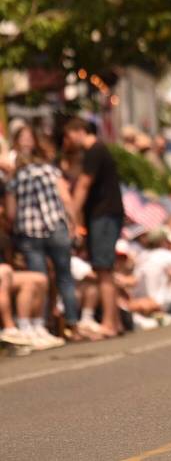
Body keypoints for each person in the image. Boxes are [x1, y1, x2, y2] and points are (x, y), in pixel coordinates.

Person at [5, 125, 93, 342]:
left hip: (29, 231)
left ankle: (41, 325)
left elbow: (11, 213)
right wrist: (74, 224)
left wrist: (13, 229)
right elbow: (66, 199)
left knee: (40, 279)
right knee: (64, 277)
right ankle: (72, 324)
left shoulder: (15, 178)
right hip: (56, 227)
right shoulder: (50, 171)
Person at [64, 117, 125, 338]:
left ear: (80, 131)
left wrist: (71, 214)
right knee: (106, 268)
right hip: (108, 214)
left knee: (103, 269)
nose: (68, 141)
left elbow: (83, 184)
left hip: (103, 215)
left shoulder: (94, 151)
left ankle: (109, 322)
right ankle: (116, 321)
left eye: (69, 135)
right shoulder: (100, 150)